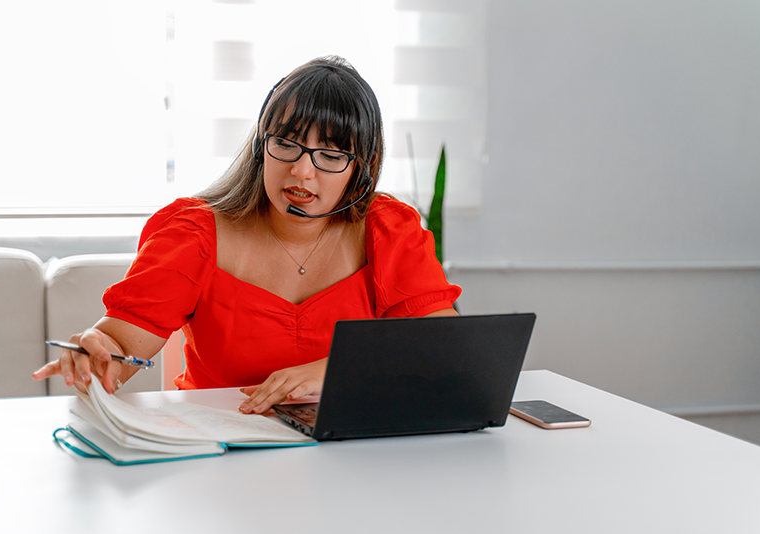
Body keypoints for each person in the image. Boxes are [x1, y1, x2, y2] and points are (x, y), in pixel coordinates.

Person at [33, 56, 460, 414]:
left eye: (330, 154)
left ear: (362, 167)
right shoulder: (194, 232)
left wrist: (335, 371)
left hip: (352, 451)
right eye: (287, 145)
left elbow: (446, 350)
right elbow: (123, 344)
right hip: (220, 456)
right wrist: (97, 351)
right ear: (261, 146)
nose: (301, 171)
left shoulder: (388, 230)